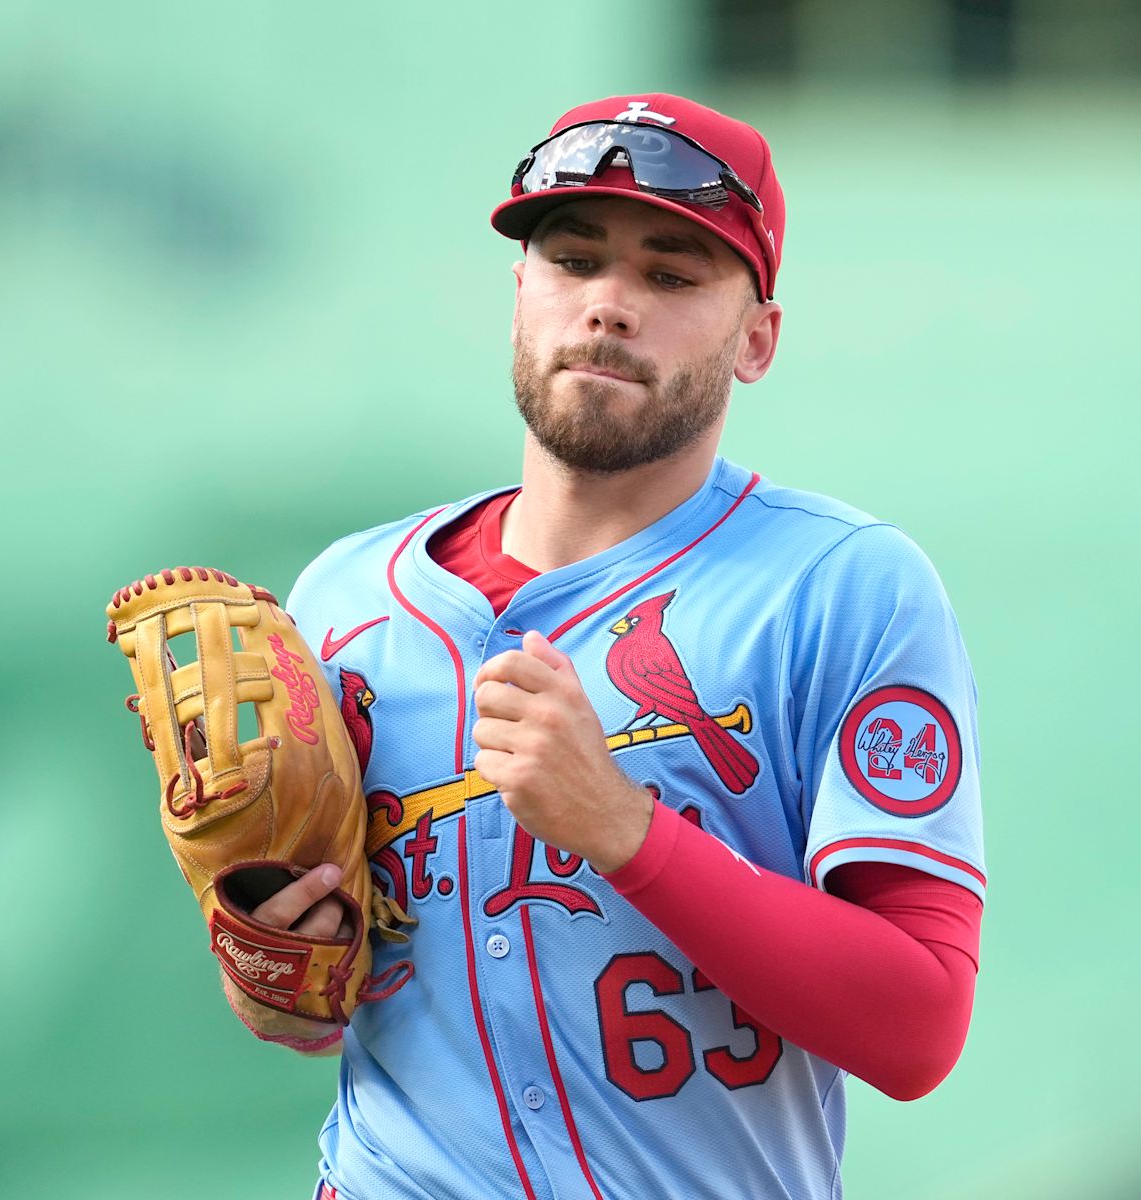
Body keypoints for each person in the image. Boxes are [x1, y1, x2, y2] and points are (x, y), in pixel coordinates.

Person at [222, 92, 987, 1200]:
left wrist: (624, 829)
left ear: (756, 339)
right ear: (522, 296)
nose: (609, 307)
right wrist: (273, 973)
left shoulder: (842, 588)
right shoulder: (343, 598)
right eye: (573, 261)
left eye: (672, 277)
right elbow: (311, 1003)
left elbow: (917, 1027)